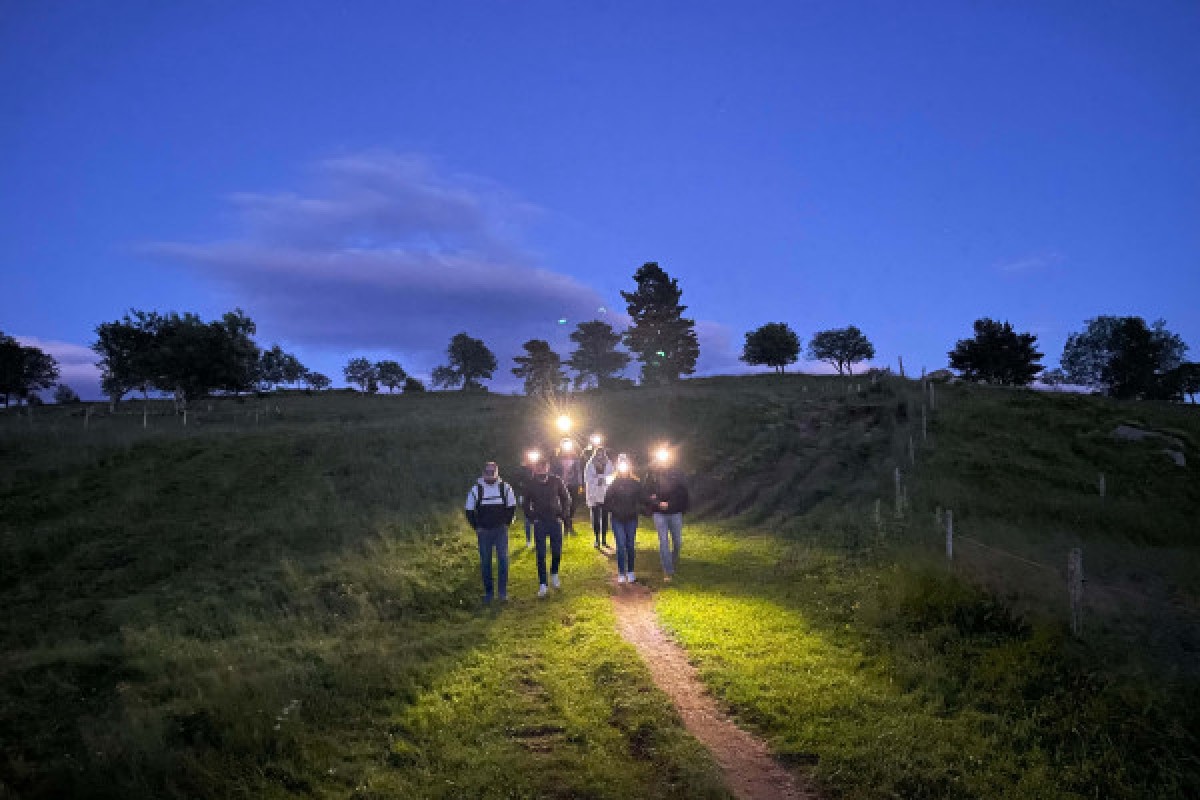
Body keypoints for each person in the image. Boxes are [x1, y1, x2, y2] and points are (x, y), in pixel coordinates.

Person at [464, 461, 517, 604]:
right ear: (483, 473)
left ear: (497, 472)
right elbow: (469, 510)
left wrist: (506, 524)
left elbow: (512, 506)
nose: (490, 475)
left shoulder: (505, 488)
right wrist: (477, 527)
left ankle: (502, 593)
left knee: (503, 561)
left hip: (500, 530)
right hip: (484, 532)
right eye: (487, 472)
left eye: (492, 472)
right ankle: (489, 593)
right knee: (486, 562)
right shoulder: (476, 490)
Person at [522, 458, 572, 597]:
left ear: (548, 468)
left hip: (555, 521)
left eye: (543, 467)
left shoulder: (556, 481)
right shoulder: (530, 484)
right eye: (538, 467)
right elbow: (525, 503)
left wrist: (563, 514)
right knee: (541, 554)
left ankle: (554, 573)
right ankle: (543, 583)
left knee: (557, 551)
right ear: (535, 468)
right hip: (540, 523)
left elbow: (566, 498)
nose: (541, 470)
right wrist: (533, 518)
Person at [604, 454, 643, 584]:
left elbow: (642, 498)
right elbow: (607, 501)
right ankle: (621, 572)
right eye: (621, 465)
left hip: (631, 518)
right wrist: (615, 510)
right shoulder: (613, 483)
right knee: (620, 545)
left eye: (626, 464)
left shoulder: (635, 483)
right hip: (617, 518)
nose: (624, 467)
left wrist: (642, 507)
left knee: (630, 545)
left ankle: (630, 571)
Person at [649, 468, 689, 582]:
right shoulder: (652, 474)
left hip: (675, 512)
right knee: (664, 541)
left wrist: (670, 504)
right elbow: (647, 493)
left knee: (678, 541)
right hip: (659, 513)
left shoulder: (677, 474)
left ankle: (672, 559)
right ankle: (667, 570)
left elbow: (682, 493)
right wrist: (657, 503)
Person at [583, 447, 615, 548]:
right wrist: (598, 480)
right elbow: (587, 478)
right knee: (595, 517)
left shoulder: (608, 463)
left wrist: (603, 479)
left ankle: (604, 539)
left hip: (605, 493)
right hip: (594, 493)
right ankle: (597, 539)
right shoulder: (590, 463)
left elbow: (612, 476)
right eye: (598, 453)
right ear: (595, 453)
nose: (600, 455)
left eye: (602, 453)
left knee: (605, 517)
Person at [553, 438, 583, 534]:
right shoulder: (557, 458)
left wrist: (580, 484)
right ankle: (567, 526)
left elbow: (578, 471)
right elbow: (554, 471)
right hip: (561, 484)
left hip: (573, 484)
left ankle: (568, 522)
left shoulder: (575, 458)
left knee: (573, 504)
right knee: (564, 504)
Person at [515, 450, 539, 547]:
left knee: (538, 518)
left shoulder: (538, 469)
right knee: (527, 519)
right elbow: (517, 482)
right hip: (526, 496)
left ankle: (538, 539)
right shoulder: (522, 470)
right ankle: (529, 540)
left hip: (537, 496)